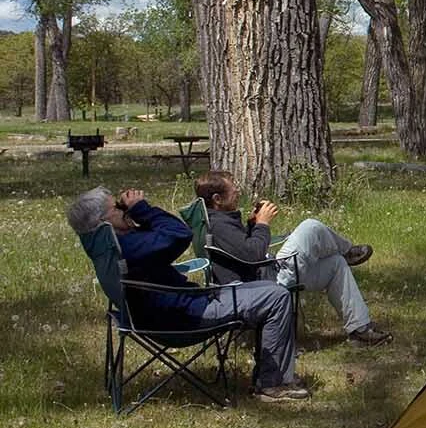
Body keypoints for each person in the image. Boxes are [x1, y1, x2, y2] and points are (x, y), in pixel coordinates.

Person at [66, 186, 310, 402]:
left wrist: (136, 216)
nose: (124, 210)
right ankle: (272, 384)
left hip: (161, 313)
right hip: (182, 317)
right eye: (118, 209)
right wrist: (142, 209)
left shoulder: (111, 246)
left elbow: (172, 237)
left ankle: (270, 373)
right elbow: (180, 234)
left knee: (267, 291)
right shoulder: (130, 247)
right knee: (276, 296)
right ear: (103, 222)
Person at [195, 170, 392, 346]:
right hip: (263, 284)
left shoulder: (218, 221)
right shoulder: (219, 226)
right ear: (217, 199)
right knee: (310, 227)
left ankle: (360, 329)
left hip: (265, 274)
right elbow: (253, 254)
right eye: (233, 189)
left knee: (335, 264)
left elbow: (241, 251)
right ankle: (347, 251)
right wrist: (263, 224)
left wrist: (252, 225)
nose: (238, 191)